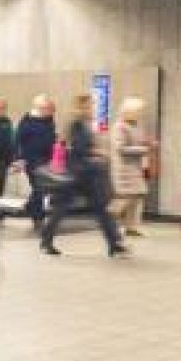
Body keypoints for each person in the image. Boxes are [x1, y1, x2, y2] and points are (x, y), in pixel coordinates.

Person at [40, 95, 127, 258]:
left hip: (85, 174)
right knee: (63, 209)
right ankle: (46, 240)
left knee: (100, 209)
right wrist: (97, 152)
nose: (92, 109)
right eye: (89, 105)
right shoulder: (76, 124)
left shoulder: (83, 124)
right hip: (77, 174)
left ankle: (114, 244)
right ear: (81, 107)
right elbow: (78, 149)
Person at [107, 97, 151, 237]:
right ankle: (107, 219)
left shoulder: (137, 126)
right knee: (124, 198)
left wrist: (147, 143)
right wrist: (144, 149)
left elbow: (138, 142)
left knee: (138, 196)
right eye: (138, 111)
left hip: (136, 168)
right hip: (123, 168)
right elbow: (120, 148)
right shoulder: (119, 127)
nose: (140, 114)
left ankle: (131, 227)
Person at [15, 94, 57, 230]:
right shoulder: (27, 122)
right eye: (50, 108)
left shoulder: (49, 120)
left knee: (41, 188)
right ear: (42, 108)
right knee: (39, 188)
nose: (52, 111)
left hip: (46, 159)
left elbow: (50, 137)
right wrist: (18, 159)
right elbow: (18, 140)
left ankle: (30, 207)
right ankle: (37, 217)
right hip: (32, 160)